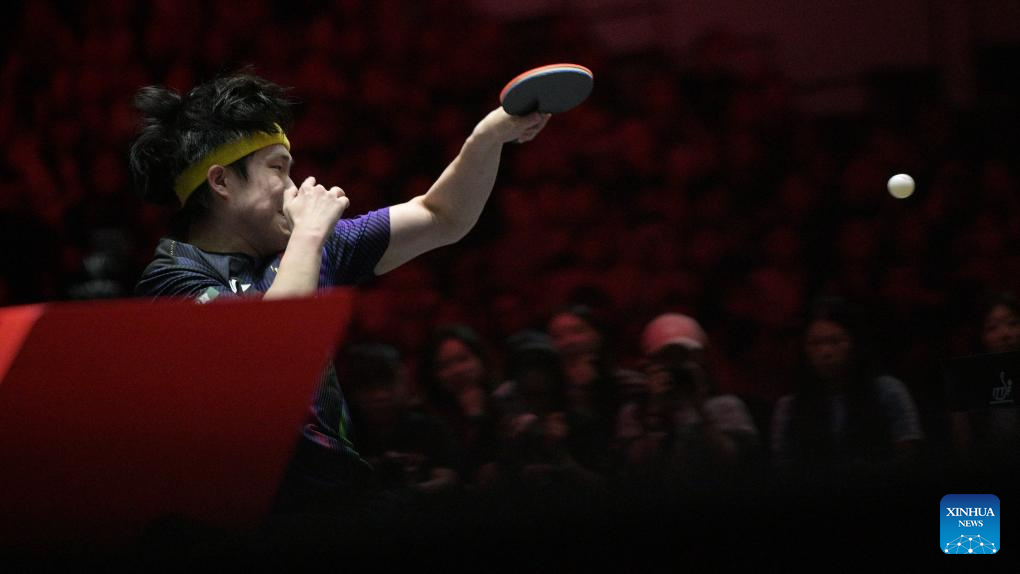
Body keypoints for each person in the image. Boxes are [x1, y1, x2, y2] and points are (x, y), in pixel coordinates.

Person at [128, 72, 549, 513]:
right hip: (253, 519)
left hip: (339, 502)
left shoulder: (305, 250)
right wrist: (310, 234)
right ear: (221, 183)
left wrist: (487, 138)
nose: (294, 188)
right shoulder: (172, 279)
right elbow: (270, 356)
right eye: (278, 168)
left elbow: (442, 216)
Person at [770, 297, 924, 484]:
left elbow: (909, 458)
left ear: (855, 343)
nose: (825, 352)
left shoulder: (888, 391)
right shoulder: (789, 407)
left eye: (835, 341)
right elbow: (784, 470)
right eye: (815, 343)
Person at [614, 312, 760, 491]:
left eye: (688, 357)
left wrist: (701, 409)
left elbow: (733, 466)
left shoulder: (727, 407)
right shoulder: (634, 413)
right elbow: (638, 475)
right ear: (647, 365)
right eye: (668, 358)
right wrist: (655, 410)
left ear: (703, 360)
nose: (678, 367)